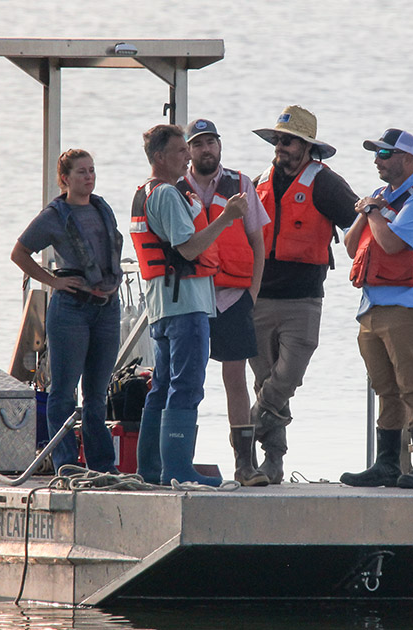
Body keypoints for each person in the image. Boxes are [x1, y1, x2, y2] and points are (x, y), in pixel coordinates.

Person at [131, 123, 246, 486]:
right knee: (186, 385)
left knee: (163, 385)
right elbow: (188, 248)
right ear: (161, 157)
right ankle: (178, 470)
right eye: (181, 151)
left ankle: (151, 470)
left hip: (164, 307)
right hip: (184, 307)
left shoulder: (147, 192)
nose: (188, 156)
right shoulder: (165, 194)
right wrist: (226, 218)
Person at [249, 105, 359, 483]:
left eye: (289, 140)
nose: (281, 147)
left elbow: (359, 222)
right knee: (265, 381)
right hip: (258, 299)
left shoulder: (326, 184)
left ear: (307, 147)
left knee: (285, 381)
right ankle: (273, 462)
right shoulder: (257, 182)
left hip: (304, 301)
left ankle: (248, 427)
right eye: (278, 140)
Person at [341, 128, 413, 489]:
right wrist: (369, 209)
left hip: (410, 309)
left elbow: (389, 244)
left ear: (408, 160)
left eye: (385, 154)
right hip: (373, 308)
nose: (377, 161)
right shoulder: (382, 199)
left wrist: (372, 210)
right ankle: (387, 464)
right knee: (385, 388)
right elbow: (352, 246)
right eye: (376, 154)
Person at [11, 149, 122, 474]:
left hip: (106, 308)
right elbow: (19, 253)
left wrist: (110, 284)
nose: (88, 177)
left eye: (91, 171)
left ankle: (102, 466)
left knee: (97, 394)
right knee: (62, 392)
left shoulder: (102, 208)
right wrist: (53, 282)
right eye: (81, 172)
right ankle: (66, 464)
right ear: (65, 179)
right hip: (71, 310)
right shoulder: (54, 215)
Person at [176, 119, 270, 486]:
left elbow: (257, 242)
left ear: (220, 146)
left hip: (233, 298)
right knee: (185, 379)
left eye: (211, 142)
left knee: (235, 377)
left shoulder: (241, 184)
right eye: (198, 144)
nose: (206, 149)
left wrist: (253, 293)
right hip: (190, 298)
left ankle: (245, 465)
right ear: (188, 151)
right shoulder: (175, 188)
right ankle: (179, 460)